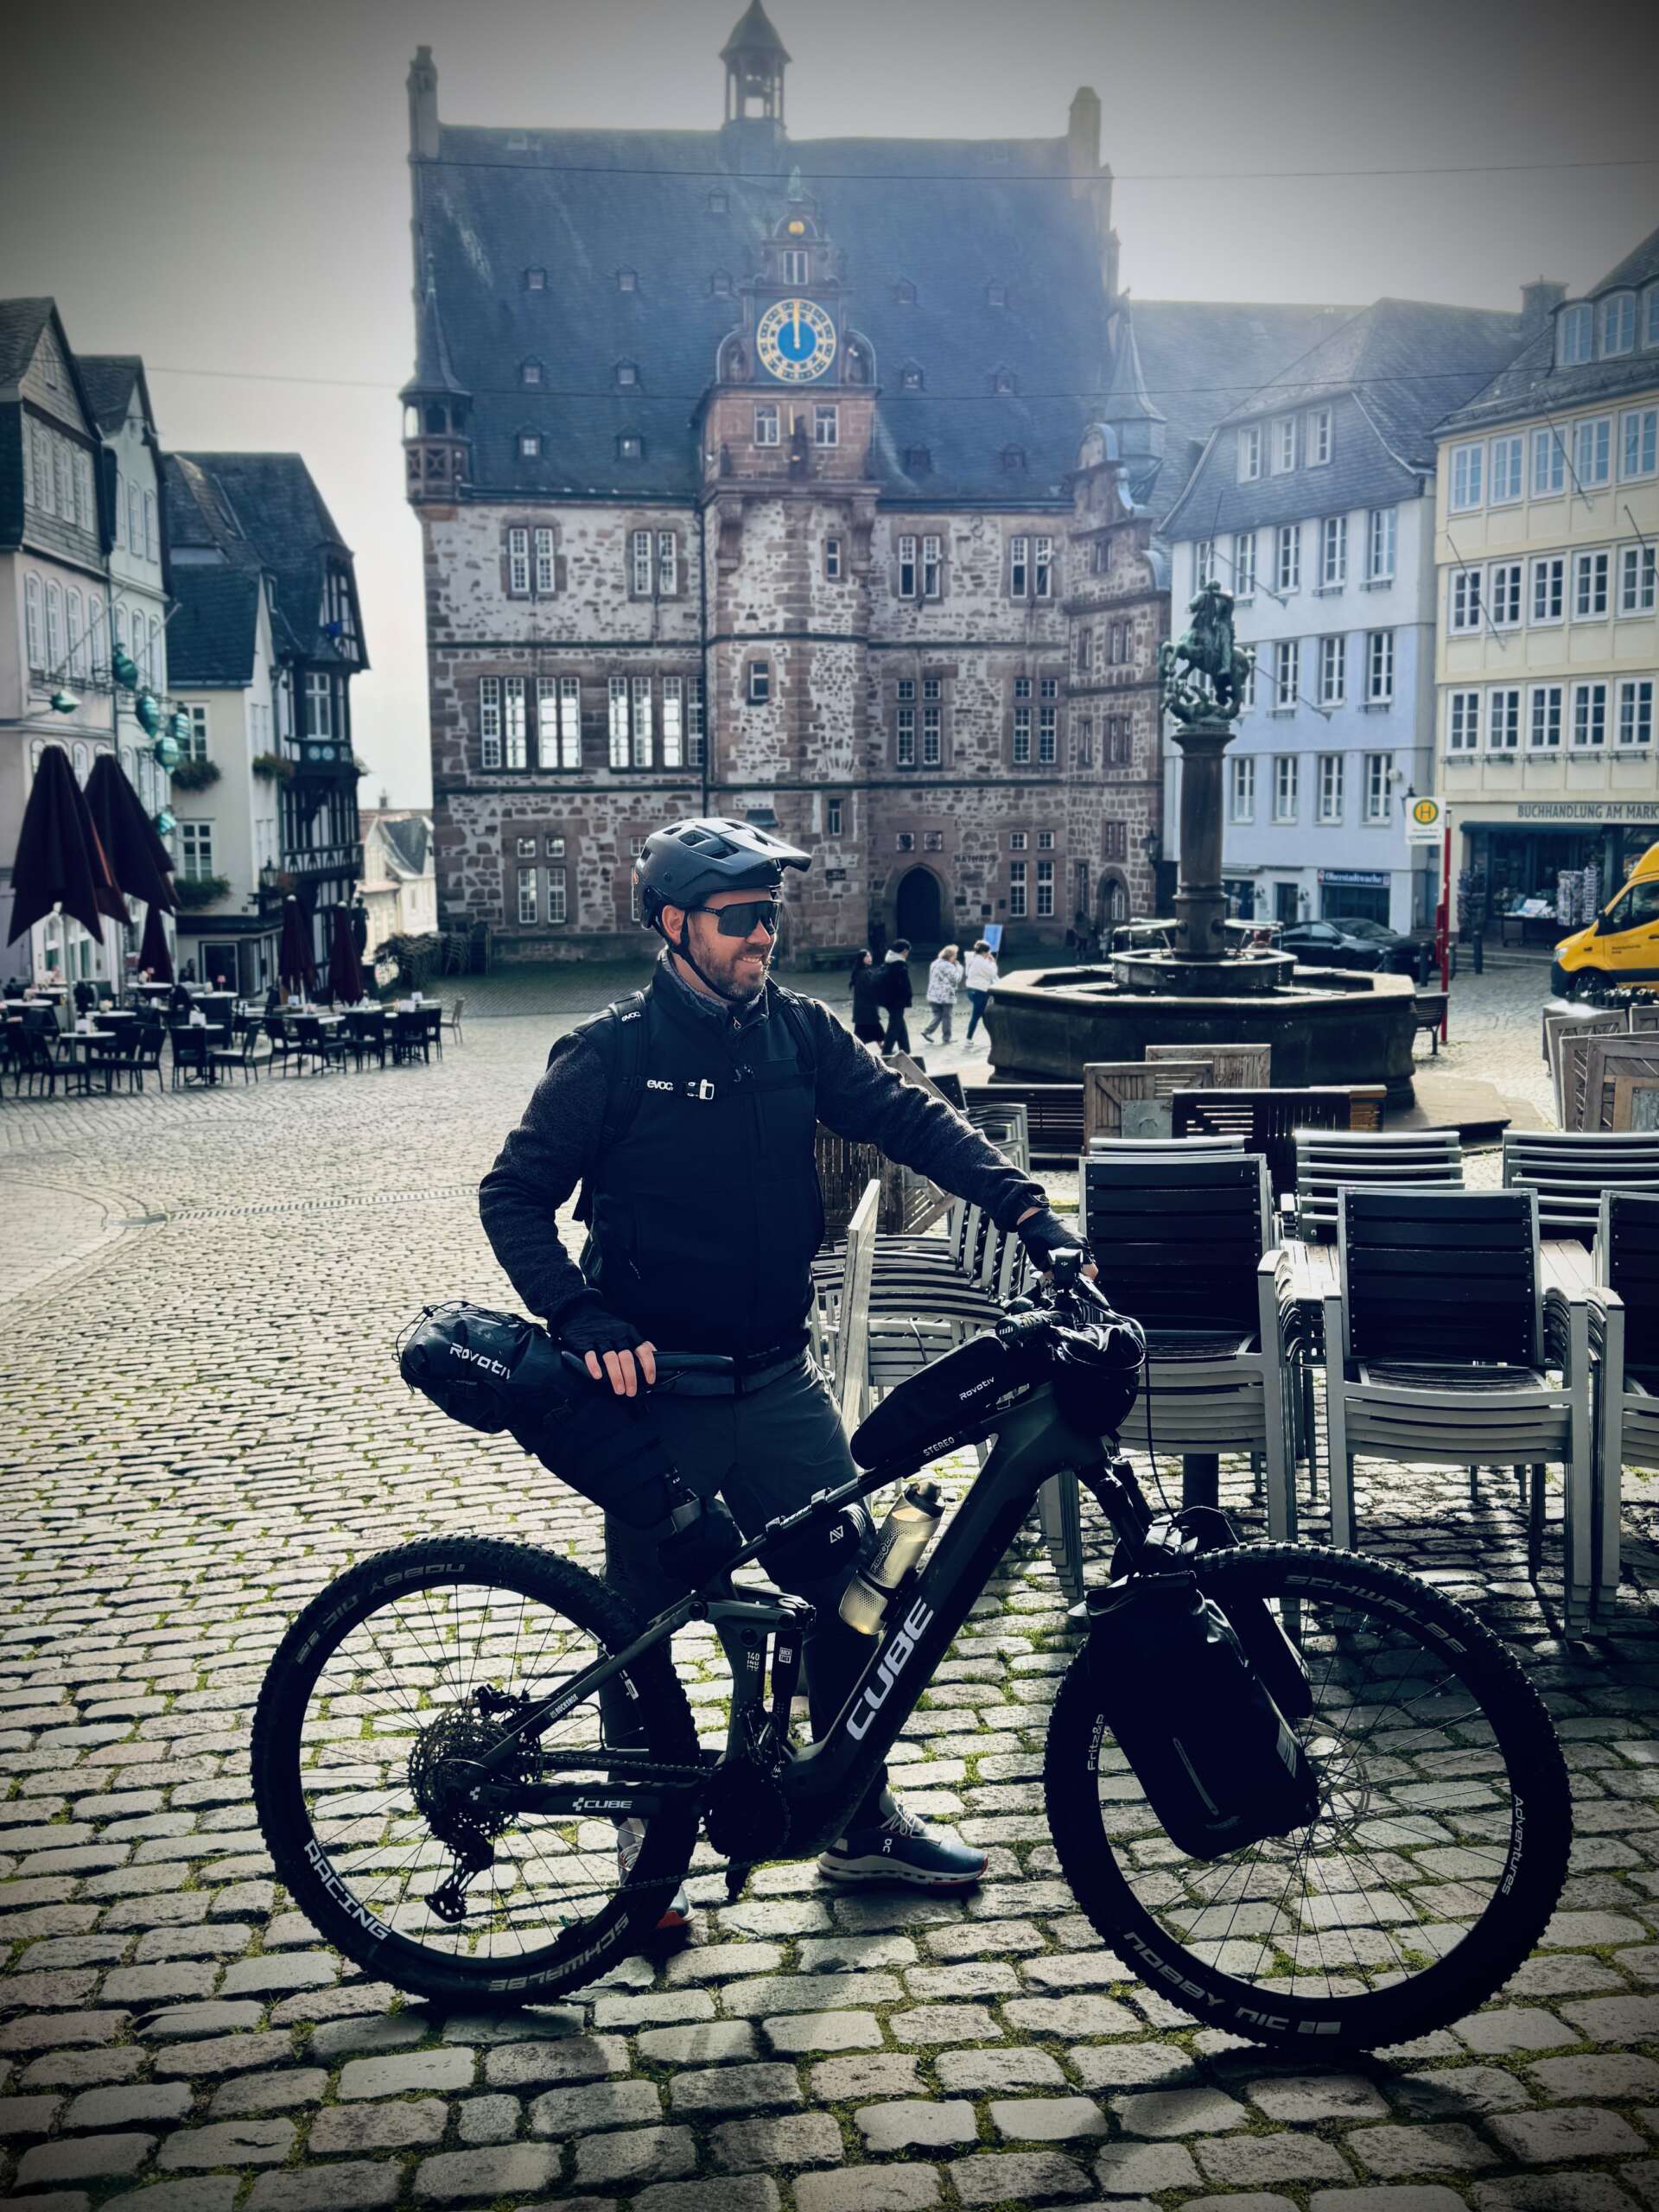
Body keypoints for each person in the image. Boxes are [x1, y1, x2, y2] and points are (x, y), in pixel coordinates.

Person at [480, 817, 1090, 1926]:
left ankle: (861, 1823)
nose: (763, 934)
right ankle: (646, 1856)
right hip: (654, 1398)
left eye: (771, 914)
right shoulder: (610, 1054)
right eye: (739, 918)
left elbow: (912, 1119)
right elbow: (511, 1196)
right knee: (643, 1629)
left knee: (853, 1599)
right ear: (674, 924)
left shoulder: (799, 1035)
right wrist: (580, 1313)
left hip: (777, 1386)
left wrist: (1029, 1209)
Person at [920, 944, 965, 1046]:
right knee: (947, 1017)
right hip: (946, 996)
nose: (956, 957)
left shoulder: (935, 963)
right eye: (955, 955)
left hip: (933, 994)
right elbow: (956, 979)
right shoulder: (948, 966)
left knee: (937, 1014)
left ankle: (927, 1031)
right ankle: (946, 1038)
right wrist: (959, 968)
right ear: (951, 956)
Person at [879, 938, 913, 1056]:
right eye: (908, 951)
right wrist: (907, 997)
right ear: (904, 951)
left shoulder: (888, 962)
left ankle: (905, 1050)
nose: (907, 954)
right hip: (897, 1001)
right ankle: (886, 1052)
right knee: (894, 1026)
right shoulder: (899, 965)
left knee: (899, 1023)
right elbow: (904, 985)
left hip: (889, 1000)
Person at [963, 940, 999, 1044]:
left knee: (984, 1015)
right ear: (984, 952)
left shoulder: (971, 958)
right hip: (980, 991)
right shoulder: (982, 962)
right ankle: (968, 1039)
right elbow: (992, 974)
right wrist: (993, 962)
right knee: (976, 1016)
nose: (989, 954)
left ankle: (994, 1038)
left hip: (970, 989)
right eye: (988, 952)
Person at [849, 950, 886, 1046]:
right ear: (862, 959)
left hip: (863, 1008)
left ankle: (881, 1046)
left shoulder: (860, 972)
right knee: (871, 1029)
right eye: (867, 956)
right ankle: (882, 1047)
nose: (870, 958)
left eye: (870, 956)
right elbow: (870, 989)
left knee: (867, 1030)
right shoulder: (864, 974)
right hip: (867, 1008)